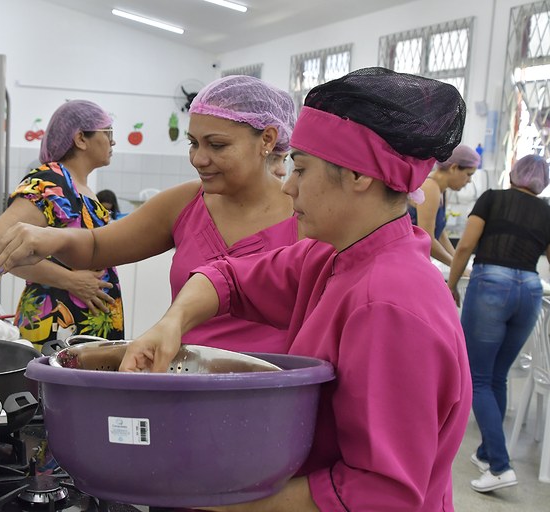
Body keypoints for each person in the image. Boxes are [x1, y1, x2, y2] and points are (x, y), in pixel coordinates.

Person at [119, 68, 472, 511]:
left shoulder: (388, 304)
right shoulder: (333, 258)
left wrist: (209, 498)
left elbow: (379, 494)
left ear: (360, 176)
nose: (287, 185)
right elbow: (230, 278)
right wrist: (171, 324)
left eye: (301, 169)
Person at [0, 75, 299, 353]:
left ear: (268, 140)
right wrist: (51, 238)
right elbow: (98, 247)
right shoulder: (185, 203)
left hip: (272, 387)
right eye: (193, 143)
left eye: (217, 145)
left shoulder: (304, 216)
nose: (199, 158)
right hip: (187, 378)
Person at [0, 99, 124, 347]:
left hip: (82, 333)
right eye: (107, 132)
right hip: (55, 329)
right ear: (81, 139)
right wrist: (69, 280)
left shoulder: (80, 188)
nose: (113, 141)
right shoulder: (50, 183)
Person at [448, 154, 550, 492]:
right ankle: (487, 453)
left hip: (492, 283)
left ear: (513, 173)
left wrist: (451, 286)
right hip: (531, 291)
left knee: (476, 378)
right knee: (496, 377)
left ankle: (501, 466)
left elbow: (465, 245)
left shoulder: (492, 197)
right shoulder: (548, 211)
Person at [408, 144, 480, 267]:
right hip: (407, 257)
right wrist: (456, 266)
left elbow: (440, 234)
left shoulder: (441, 190)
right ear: (454, 167)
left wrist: (459, 264)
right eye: (469, 174)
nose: (469, 181)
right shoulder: (430, 188)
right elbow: (428, 239)